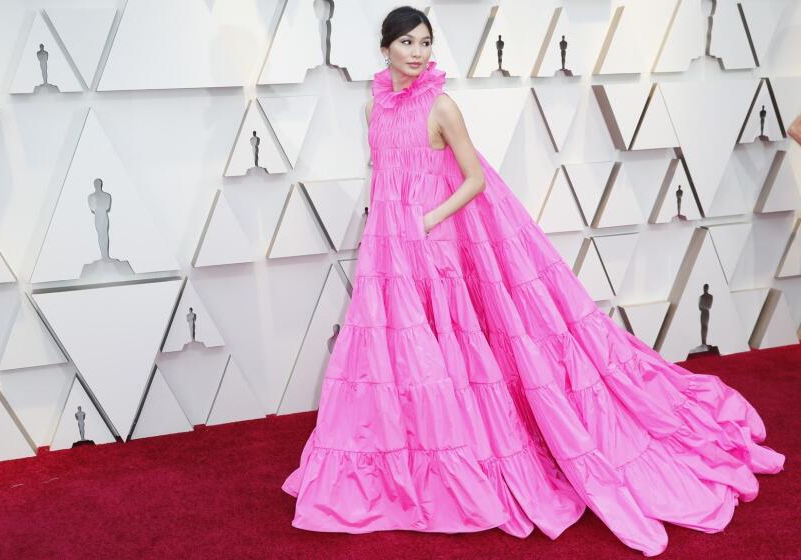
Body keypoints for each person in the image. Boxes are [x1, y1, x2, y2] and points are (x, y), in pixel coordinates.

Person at [281, 6, 784, 557]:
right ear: (385, 49)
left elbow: (473, 179)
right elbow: (386, 175)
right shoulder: (374, 105)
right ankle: (405, 462)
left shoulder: (442, 106)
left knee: (447, 348)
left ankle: (463, 453)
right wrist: (384, 228)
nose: (418, 52)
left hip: (433, 242)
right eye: (407, 42)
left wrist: (423, 221)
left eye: (425, 41)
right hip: (388, 248)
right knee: (396, 356)